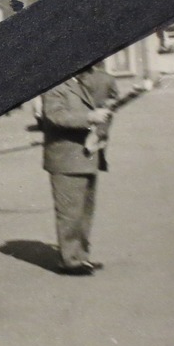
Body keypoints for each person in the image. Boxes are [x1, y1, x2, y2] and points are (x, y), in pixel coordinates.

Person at [40, 60, 120, 275]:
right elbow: (55, 115)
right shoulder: (54, 83)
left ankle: (81, 257)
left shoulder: (89, 78)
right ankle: (70, 261)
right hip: (65, 158)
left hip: (88, 155)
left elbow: (108, 92)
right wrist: (89, 117)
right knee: (69, 213)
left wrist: (109, 105)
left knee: (84, 212)